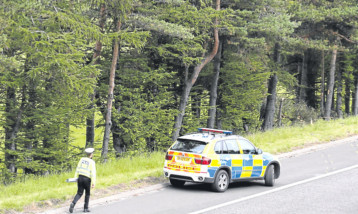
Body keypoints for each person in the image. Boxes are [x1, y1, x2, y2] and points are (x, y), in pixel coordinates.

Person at [69, 148, 96, 213]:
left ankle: (73, 203)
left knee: (79, 193)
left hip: (80, 178)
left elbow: (77, 168)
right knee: (87, 194)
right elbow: (93, 173)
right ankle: (85, 208)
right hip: (87, 179)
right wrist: (93, 182)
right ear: (91, 154)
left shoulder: (82, 159)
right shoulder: (92, 162)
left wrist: (75, 177)